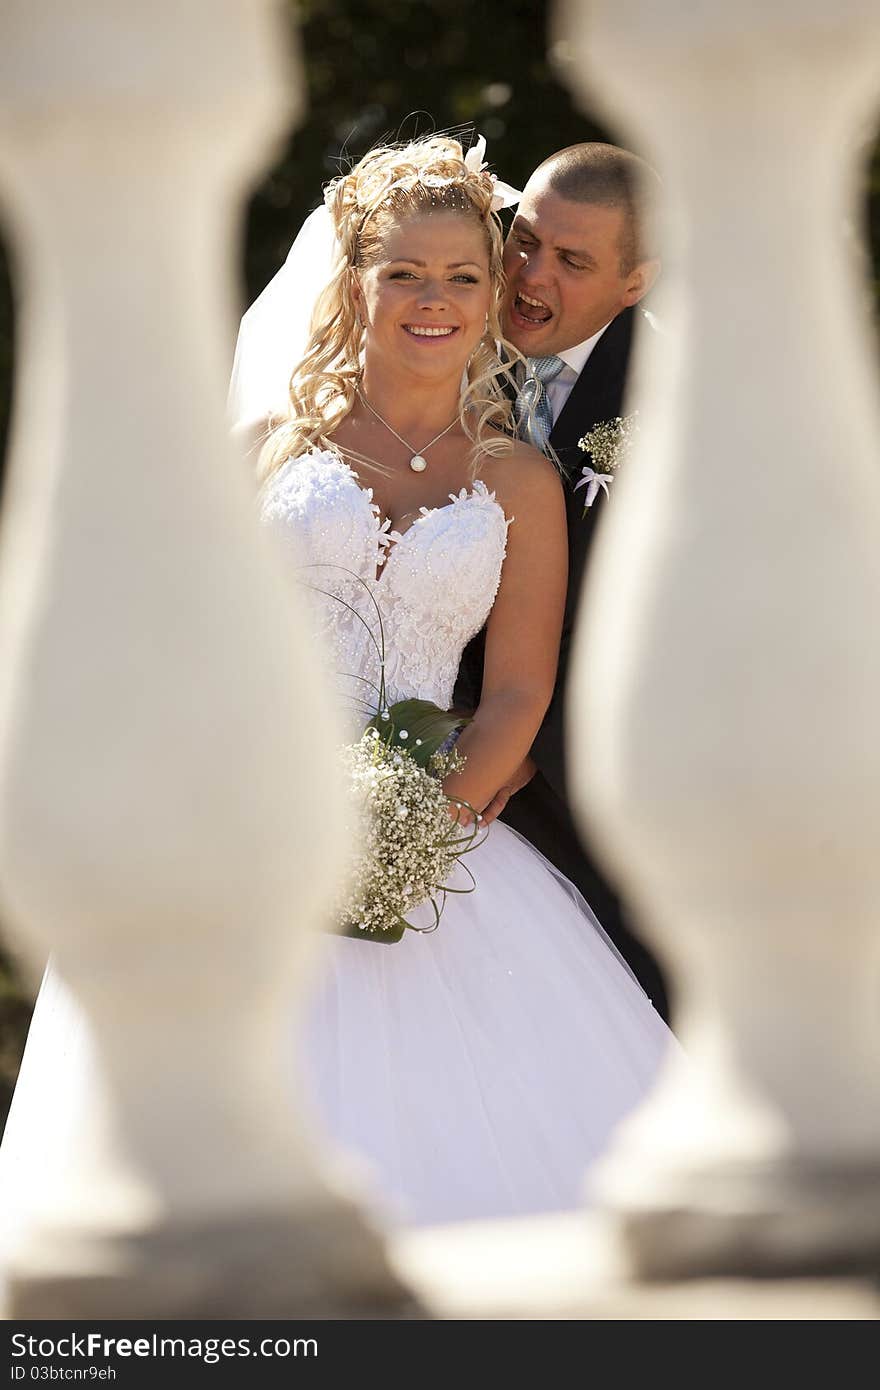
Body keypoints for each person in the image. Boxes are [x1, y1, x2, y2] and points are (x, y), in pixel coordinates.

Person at [0, 137, 675, 1235]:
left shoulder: (520, 479)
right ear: (352, 276)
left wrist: (413, 834)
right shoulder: (264, 446)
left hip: (443, 854)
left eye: (463, 276)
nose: (435, 299)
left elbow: (517, 691)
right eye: (403, 270)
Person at [455, 142, 671, 1021]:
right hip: (439, 757)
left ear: (636, 283)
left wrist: (517, 737)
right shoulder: (437, 332)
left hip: (608, 808)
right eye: (526, 239)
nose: (529, 275)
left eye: (573, 261)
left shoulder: (687, 402)